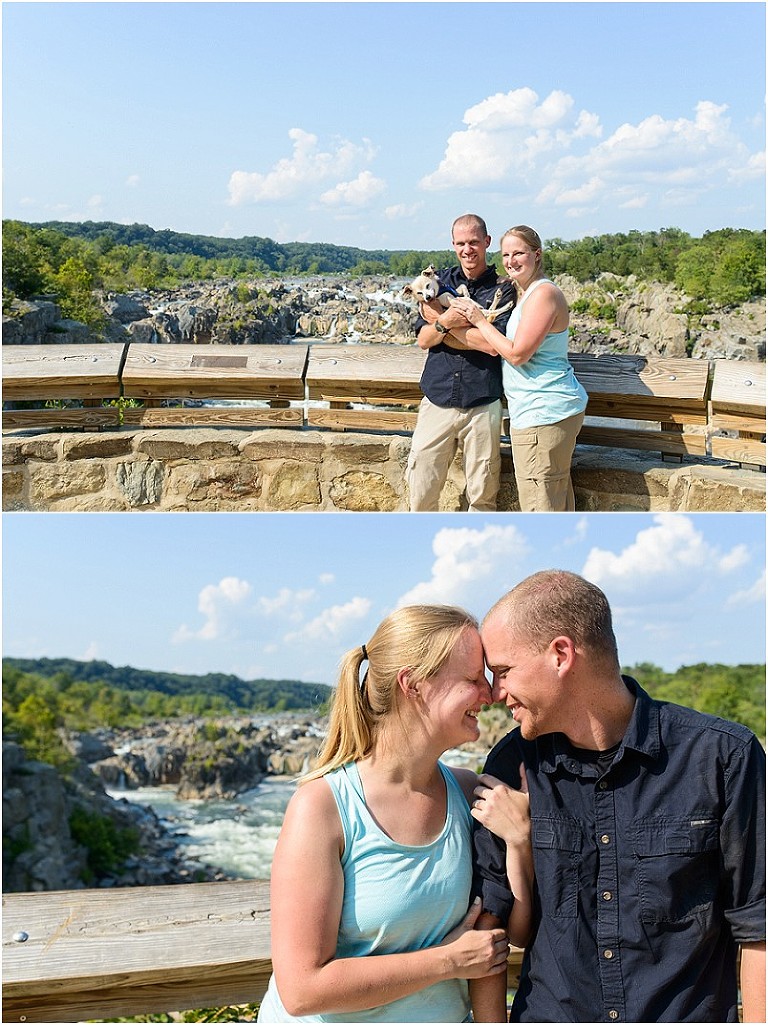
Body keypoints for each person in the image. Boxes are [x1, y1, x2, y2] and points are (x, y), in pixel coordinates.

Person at [470, 570, 766, 1023]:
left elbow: (758, 926)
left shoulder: (723, 758)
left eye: (503, 671)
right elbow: (489, 926)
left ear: (561, 655)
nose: (495, 692)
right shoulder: (513, 765)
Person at [257, 604, 533, 1023]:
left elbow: (498, 929)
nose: (490, 693)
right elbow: (302, 990)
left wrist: (521, 838)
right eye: (473, 679)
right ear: (413, 684)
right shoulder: (321, 807)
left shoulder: (468, 794)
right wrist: (448, 961)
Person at [450, 226, 587, 512]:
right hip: (544, 410)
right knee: (555, 500)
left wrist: (478, 320)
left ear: (537, 255)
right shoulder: (524, 292)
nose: (511, 261)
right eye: (506, 255)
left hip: (543, 412)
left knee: (538, 506)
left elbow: (517, 354)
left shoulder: (543, 294)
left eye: (519, 253)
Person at [406, 214, 516, 513]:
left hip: (482, 401)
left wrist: (443, 323)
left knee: (482, 498)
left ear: (487, 242)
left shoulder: (504, 288)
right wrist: (448, 324)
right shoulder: (436, 282)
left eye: (474, 242)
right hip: (437, 398)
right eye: (461, 243)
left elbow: (492, 347)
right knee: (421, 494)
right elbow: (424, 340)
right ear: (453, 244)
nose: (468, 250)